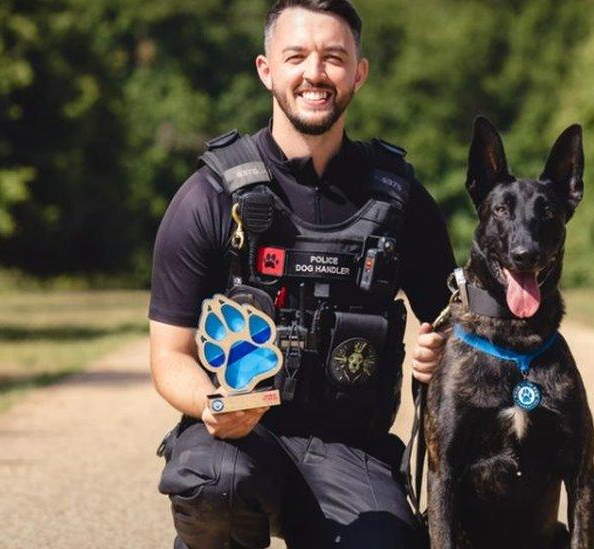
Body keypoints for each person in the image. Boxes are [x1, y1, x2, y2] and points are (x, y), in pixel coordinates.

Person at [148, 1, 454, 547]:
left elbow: (458, 325)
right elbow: (169, 354)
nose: (315, 73)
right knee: (211, 482)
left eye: (333, 57)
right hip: (238, 440)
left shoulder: (401, 201)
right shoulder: (209, 197)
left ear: (358, 73)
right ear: (267, 70)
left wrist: (441, 350)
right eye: (296, 56)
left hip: (350, 449)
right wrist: (211, 407)